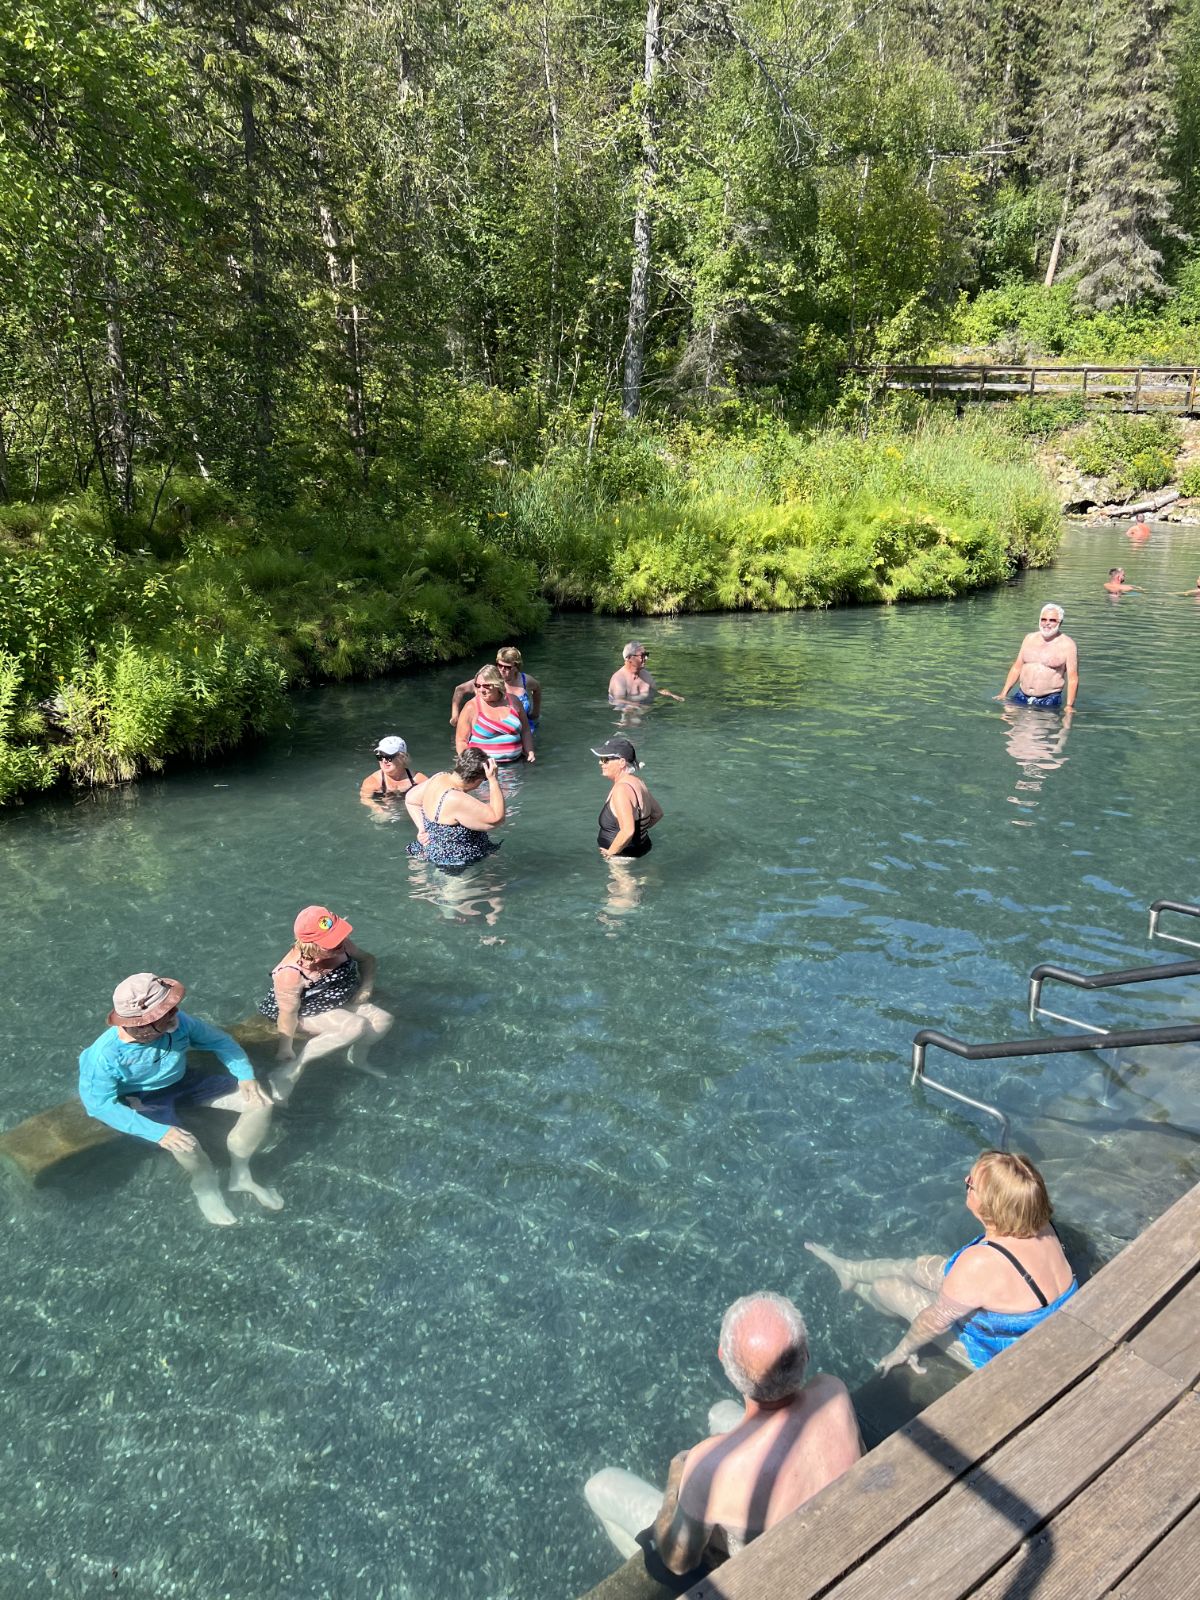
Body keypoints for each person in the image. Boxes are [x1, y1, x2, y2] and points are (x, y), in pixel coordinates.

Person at [584, 1292, 860, 1582]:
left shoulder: (710, 1468)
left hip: (779, 1579)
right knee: (720, 1413)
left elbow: (679, 1561)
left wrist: (675, 1480)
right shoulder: (833, 1392)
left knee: (599, 1486)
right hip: (836, 1537)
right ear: (805, 1353)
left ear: (722, 1359)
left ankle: (642, 1571)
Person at [805, 1149, 1077, 1374]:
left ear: (988, 1206)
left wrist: (902, 1351)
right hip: (1029, 1312)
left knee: (885, 1288)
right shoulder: (1038, 1223)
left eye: (969, 1184)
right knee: (917, 1266)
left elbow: (934, 1322)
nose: (965, 1182)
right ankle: (849, 1268)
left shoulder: (980, 1263)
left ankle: (860, 1287)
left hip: (997, 1352)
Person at [78, 972, 282, 1227]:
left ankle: (241, 1172)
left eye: (173, 1007)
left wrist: (245, 1075)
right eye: (167, 1012)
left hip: (185, 1081)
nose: (176, 1013)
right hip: (141, 1099)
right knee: (185, 1143)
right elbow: (98, 1104)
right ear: (142, 1023)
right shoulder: (104, 1056)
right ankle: (205, 1186)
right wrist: (158, 1133)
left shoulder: (179, 1022)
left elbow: (220, 1042)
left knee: (260, 1102)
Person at [258, 906, 394, 1104]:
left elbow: (367, 960)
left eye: (339, 937)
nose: (339, 944)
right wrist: (285, 1048)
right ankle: (294, 1067)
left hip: (336, 996)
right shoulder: (290, 972)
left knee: (383, 1019)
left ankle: (356, 1060)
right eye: (331, 943)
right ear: (309, 945)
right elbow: (288, 1013)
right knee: (355, 1026)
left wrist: (366, 987)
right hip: (305, 1008)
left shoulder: (343, 945)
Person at [405, 749, 506, 870]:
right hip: (454, 865)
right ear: (478, 779)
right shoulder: (455, 798)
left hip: (429, 852)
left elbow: (411, 799)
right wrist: (493, 780)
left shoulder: (439, 777)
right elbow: (496, 818)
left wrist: (422, 829)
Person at [995, 604, 1078, 711]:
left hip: (1048, 699)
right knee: (1009, 722)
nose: (1047, 623)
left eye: (1052, 620)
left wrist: (1069, 706)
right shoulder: (1029, 638)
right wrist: (1003, 693)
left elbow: (1072, 678)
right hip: (1021, 695)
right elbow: (1017, 667)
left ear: (1060, 622)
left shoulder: (1068, 645)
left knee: (1036, 727)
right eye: (1043, 619)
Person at [593, 737, 663, 859]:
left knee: (622, 879)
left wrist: (611, 853)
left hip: (621, 856)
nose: (600, 762)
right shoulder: (638, 782)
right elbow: (657, 813)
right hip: (642, 847)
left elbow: (627, 831)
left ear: (621, 762)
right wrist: (639, 834)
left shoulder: (621, 790)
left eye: (605, 759)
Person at [455, 664, 535, 764]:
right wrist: (471, 766)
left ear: (497, 684)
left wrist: (530, 751)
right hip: (483, 772)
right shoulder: (471, 707)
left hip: (516, 766)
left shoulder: (514, 701)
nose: (481, 690)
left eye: (486, 686)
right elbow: (461, 741)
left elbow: (526, 730)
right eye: (477, 686)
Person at [359, 735, 428, 810]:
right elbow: (365, 799)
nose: (384, 761)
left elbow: (431, 798)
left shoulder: (418, 780)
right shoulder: (373, 781)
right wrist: (377, 808)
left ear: (402, 757)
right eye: (380, 757)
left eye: (389, 757)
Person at [608, 642, 685, 704]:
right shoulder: (619, 679)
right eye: (642, 655)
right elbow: (618, 702)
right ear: (629, 658)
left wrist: (672, 695)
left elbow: (656, 689)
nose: (646, 658)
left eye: (646, 655)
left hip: (645, 711)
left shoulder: (646, 675)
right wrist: (636, 707)